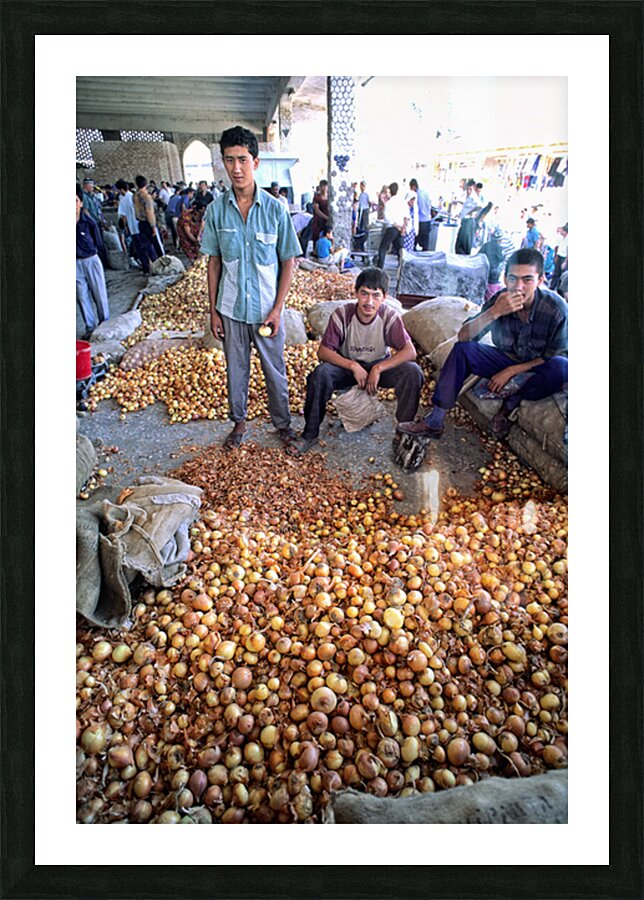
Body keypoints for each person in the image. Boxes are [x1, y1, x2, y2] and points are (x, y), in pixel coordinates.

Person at [201, 125, 302, 450]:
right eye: (229, 160)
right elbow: (213, 262)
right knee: (237, 370)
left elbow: (288, 261)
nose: (236, 168)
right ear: (223, 162)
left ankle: (283, 424)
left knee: (275, 370)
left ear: (255, 162)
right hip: (231, 308)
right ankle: (239, 424)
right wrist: (214, 310)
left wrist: (277, 309)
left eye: (243, 159)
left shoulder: (275, 210)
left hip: (266, 311)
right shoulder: (216, 210)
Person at [397, 249, 567, 440]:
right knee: (463, 350)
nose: (518, 287)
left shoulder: (556, 309)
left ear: (540, 280)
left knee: (562, 367)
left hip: (538, 367)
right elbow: (463, 336)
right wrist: (494, 312)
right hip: (506, 358)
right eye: (513, 279)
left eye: (527, 280)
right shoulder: (500, 300)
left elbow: (552, 357)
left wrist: (511, 371)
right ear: (504, 278)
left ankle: (512, 402)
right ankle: (435, 421)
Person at [287, 267, 424, 456]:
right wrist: (352, 365)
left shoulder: (389, 316)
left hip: (379, 368)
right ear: (355, 293)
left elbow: (410, 351)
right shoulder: (342, 315)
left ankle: (403, 432)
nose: (369, 302)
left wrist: (378, 368)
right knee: (321, 374)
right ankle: (309, 434)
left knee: (412, 372)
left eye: (376, 296)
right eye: (364, 294)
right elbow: (323, 351)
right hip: (347, 368)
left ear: (384, 297)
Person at [76, 187, 109, 337]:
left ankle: (105, 325)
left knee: (99, 294)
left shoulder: (88, 222)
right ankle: (90, 328)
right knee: (82, 296)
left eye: (75, 201)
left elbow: (99, 243)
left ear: (81, 203)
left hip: (91, 260)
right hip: (74, 263)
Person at [477, 225, 516, 301]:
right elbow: (502, 259)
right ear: (500, 240)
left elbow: (478, 256)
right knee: (491, 296)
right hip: (493, 276)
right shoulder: (500, 248)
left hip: (483, 274)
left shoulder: (485, 245)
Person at [376, 182, 408, 268]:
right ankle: (403, 266)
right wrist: (403, 228)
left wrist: (396, 225)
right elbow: (406, 216)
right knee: (400, 250)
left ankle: (380, 268)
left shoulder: (389, 203)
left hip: (392, 228)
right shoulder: (402, 201)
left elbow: (388, 219)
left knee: (382, 248)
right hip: (401, 228)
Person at [134, 175, 165, 258]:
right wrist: (153, 227)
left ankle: (149, 266)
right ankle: (162, 264)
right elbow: (149, 212)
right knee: (157, 246)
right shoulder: (146, 197)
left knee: (146, 247)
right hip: (149, 224)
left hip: (140, 223)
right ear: (146, 184)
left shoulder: (135, 196)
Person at [115, 179, 142, 267]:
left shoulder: (123, 200)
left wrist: (125, 227)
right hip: (140, 224)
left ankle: (142, 263)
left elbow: (123, 216)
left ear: (121, 189)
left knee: (136, 246)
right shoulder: (134, 196)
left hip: (132, 227)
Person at [409, 178, 432, 250]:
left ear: (413, 186)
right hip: (427, 220)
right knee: (425, 243)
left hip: (421, 220)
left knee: (414, 241)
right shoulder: (425, 193)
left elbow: (419, 208)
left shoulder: (417, 195)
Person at [311, 180, 329, 251]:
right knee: (317, 237)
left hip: (327, 221)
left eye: (325, 186)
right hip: (318, 220)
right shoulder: (317, 197)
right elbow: (317, 210)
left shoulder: (330, 196)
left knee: (327, 236)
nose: (324, 188)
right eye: (322, 186)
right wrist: (326, 217)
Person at [550, 223, 568, 292]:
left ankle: (559, 290)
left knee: (562, 275)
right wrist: (556, 256)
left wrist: (565, 262)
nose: (561, 232)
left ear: (566, 232)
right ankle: (552, 287)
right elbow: (558, 248)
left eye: (562, 231)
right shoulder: (562, 238)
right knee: (556, 273)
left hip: (564, 258)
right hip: (560, 255)